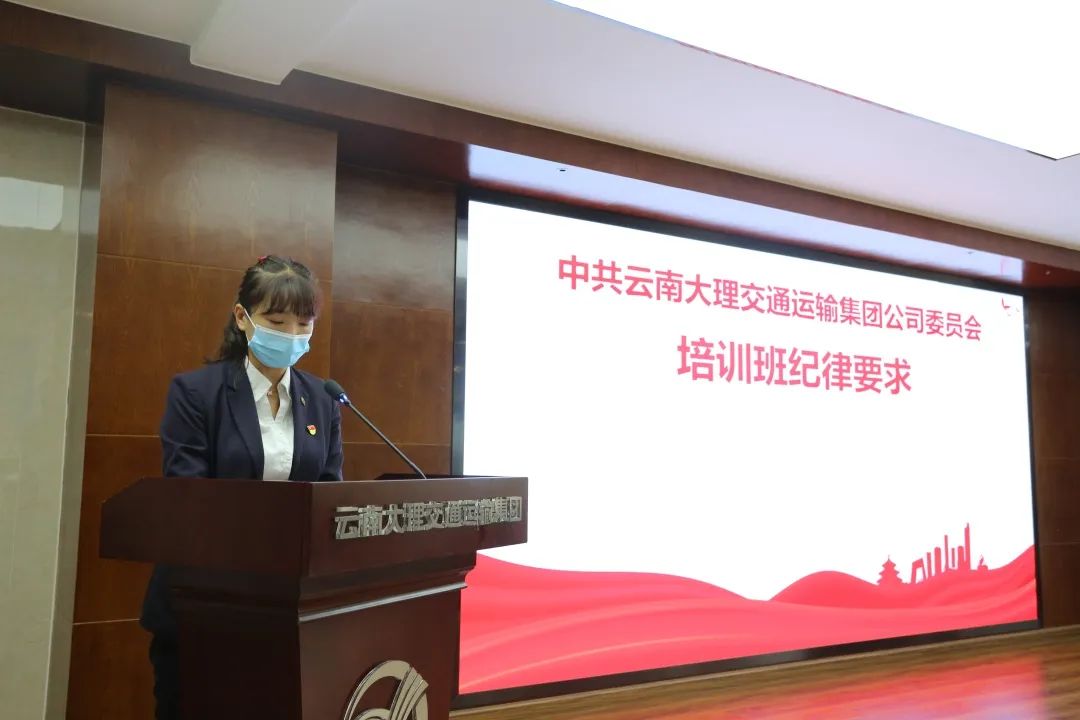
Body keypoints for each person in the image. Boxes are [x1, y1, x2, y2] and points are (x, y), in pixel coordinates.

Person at [140, 255, 343, 719]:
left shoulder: (323, 400)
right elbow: (188, 496)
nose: (291, 335)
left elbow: (328, 497)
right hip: (204, 607)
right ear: (242, 317)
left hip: (290, 612)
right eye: (277, 321)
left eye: (303, 324)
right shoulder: (197, 393)